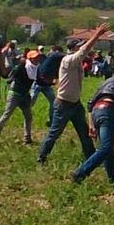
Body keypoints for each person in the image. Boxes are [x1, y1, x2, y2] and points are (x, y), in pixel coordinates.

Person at [37, 24, 110, 164]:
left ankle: (91, 158)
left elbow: (84, 52)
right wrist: (97, 35)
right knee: (54, 133)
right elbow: (84, 50)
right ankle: (42, 157)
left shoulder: (76, 61)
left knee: (84, 132)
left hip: (75, 103)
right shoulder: (69, 60)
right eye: (79, 46)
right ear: (74, 48)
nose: (83, 48)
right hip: (64, 104)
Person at [0, 49, 37, 143]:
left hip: (25, 95)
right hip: (15, 94)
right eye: (34, 58)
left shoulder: (35, 69)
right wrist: (11, 80)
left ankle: (27, 138)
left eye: (37, 58)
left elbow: (39, 80)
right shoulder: (22, 66)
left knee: (28, 116)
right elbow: (13, 76)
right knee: (7, 114)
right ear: (29, 58)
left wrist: (49, 82)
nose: (36, 59)